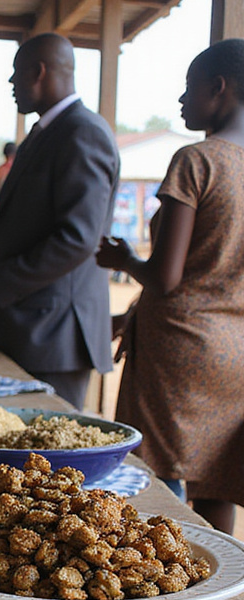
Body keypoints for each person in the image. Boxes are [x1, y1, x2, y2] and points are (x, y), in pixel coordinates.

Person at [96, 39, 244, 534]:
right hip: (234, 352)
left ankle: (160, 593)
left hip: (178, 350)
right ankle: (219, 594)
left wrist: (123, 259)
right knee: (217, 481)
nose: (181, 101)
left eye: (189, 89)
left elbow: (165, 277)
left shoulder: (197, 161)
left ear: (219, 88)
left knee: (152, 479)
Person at [0, 33, 120, 410]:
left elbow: (78, 239)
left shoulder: (82, 133)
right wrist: (0, 226)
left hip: (52, 334)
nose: (11, 84)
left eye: (15, 74)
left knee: (43, 452)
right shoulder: (46, 132)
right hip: (30, 325)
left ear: (37, 72)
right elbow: (49, 220)